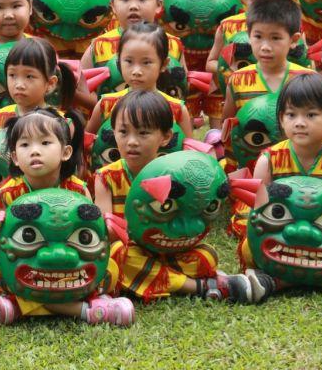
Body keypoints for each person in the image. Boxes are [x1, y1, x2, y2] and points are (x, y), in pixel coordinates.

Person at [93, 91, 258, 303]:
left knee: (207, 255)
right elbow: (106, 232)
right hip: (132, 249)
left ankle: (161, 279)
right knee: (119, 256)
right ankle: (199, 286)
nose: (131, 141)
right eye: (123, 132)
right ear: (113, 132)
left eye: (143, 133)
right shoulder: (106, 176)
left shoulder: (178, 173)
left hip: (173, 247)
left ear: (166, 137)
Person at [0, 109, 132, 326]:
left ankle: (22, 308)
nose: (35, 151)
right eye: (25, 145)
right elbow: (3, 243)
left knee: (110, 269)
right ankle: (85, 310)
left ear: (65, 152)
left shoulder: (78, 190)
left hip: (71, 264)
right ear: (15, 157)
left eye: (45, 143)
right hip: (32, 266)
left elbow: (89, 234)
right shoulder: (7, 194)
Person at [245, 73, 322, 211]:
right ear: (281, 119)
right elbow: (260, 211)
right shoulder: (268, 162)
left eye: (311, 115)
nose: (299, 123)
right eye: (291, 115)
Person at [206, 0, 299, 82]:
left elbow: (302, 61)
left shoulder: (289, 23)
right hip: (240, 91)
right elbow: (211, 63)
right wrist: (238, 71)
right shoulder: (227, 26)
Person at [85, 23, 194, 138]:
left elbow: (186, 148)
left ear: (164, 64)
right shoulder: (106, 105)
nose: (136, 71)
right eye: (129, 61)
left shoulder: (177, 110)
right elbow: (89, 143)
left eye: (146, 62)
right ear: (119, 62)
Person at [222, 0, 313, 122]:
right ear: (249, 35)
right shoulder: (238, 80)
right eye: (258, 37)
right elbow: (229, 125)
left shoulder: (308, 81)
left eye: (275, 38)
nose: (265, 47)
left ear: (293, 40)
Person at [81, 0, 184, 72]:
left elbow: (183, 81)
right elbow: (82, 81)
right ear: (113, 6)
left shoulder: (173, 45)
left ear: (158, 5)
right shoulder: (99, 47)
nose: (133, 6)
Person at [0, 38, 75, 130]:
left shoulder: (60, 123)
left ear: (50, 83)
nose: (19, 85)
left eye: (29, 76)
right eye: (12, 75)